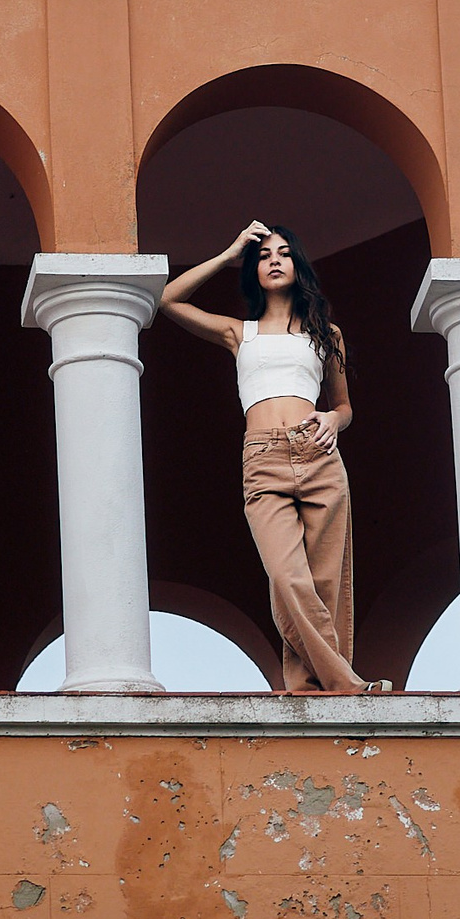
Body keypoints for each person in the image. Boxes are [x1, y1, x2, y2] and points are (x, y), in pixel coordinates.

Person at [161, 220, 391, 695]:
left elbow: (345, 406)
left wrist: (332, 419)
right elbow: (169, 300)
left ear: (297, 264)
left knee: (325, 582)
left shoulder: (327, 334)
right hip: (263, 457)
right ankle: (345, 684)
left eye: (283, 253)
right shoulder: (238, 333)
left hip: (319, 452)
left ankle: (309, 685)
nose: (274, 260)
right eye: (264, 255)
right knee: (288, 578)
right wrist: (228, 254)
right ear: (254, 269)